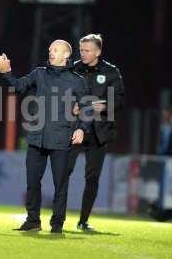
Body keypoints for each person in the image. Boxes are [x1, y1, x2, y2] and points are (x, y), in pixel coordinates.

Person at [0, 40, 91, 234]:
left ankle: (57, 225)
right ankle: (33, 221)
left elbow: (88, 108)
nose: (51, 52)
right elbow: (18, 86)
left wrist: (82, 128)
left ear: (66, 55)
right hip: (36, 138)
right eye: (50, 50)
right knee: (32, 183)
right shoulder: (39, 73)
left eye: (55, 50)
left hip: (62, 138)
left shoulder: (77, 80)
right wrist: (6, 72)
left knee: (60, 185)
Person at [68, 34, 125, 231]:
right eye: (81, 50)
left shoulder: (111, 72)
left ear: (98, 52)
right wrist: (71, 105)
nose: (83, 54)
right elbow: (61, 94)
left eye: (87, 50)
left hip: (99, 132)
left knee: (92, 177)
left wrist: (104, 106)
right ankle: (57, 217)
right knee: (63, 172)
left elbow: (119, 100)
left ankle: (83, 221)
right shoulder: (73, 68)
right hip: (75, 129)